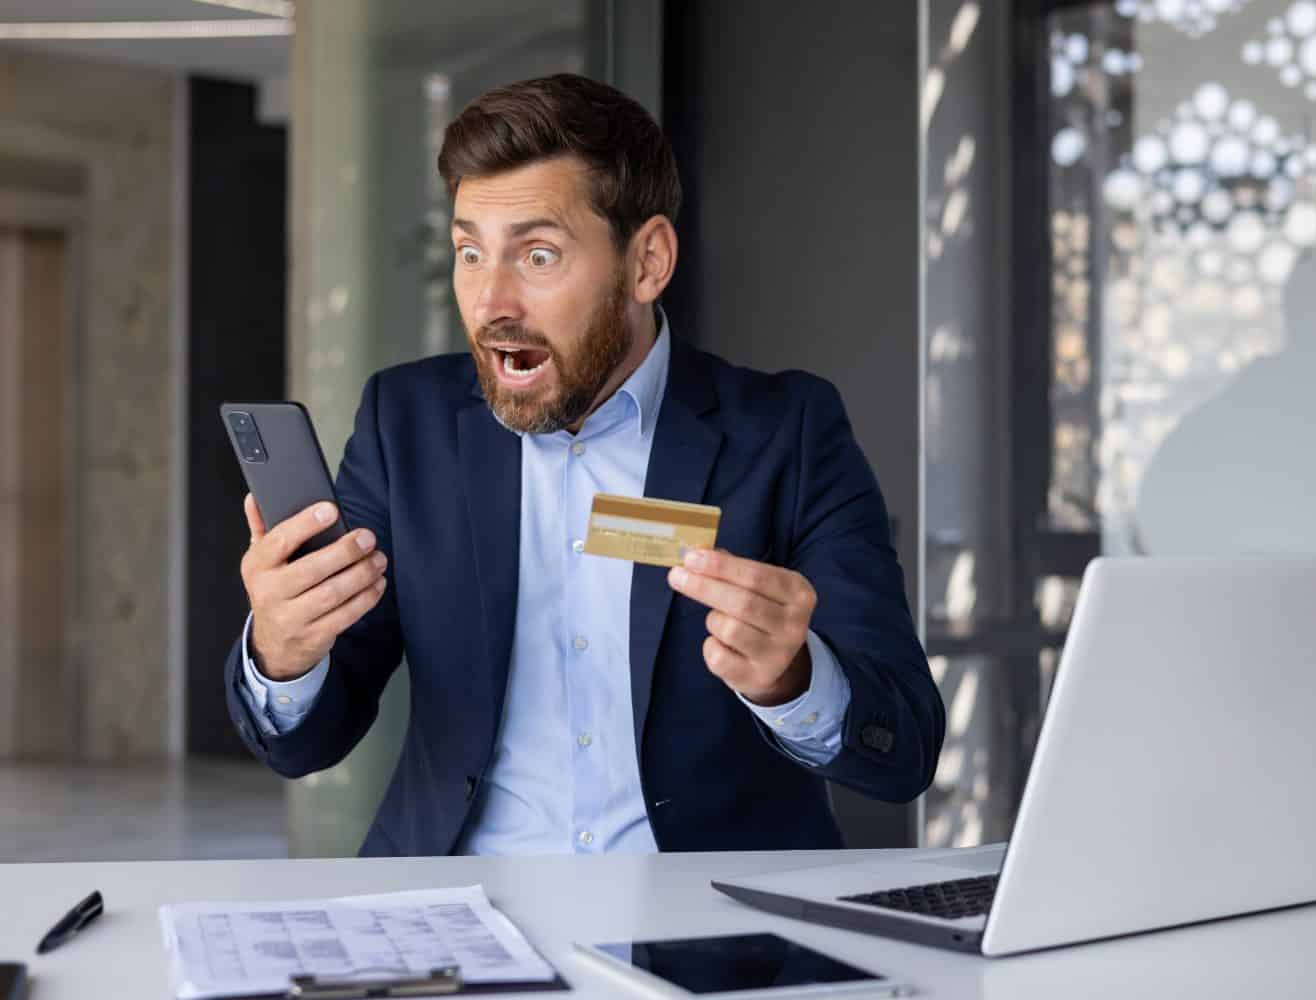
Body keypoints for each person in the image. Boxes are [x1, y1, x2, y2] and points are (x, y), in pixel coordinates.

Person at [224, 73, 944, 857]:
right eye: (470, 251)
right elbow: (306, 745)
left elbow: (902, 749)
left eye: (538, 255)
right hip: (458, 927)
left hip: (703, 938)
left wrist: (795, 680)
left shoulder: (787, 433)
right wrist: (284, 655)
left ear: (648, 263)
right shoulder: (408, 423)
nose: (491, 300)